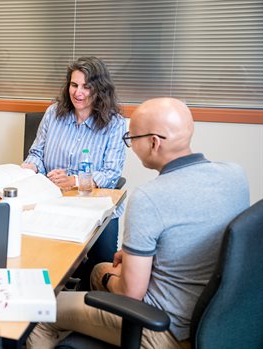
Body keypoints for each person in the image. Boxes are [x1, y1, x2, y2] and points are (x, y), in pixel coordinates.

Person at [27, 98, 250, 349]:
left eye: (131, 139)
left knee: (38, 311)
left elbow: (130, 293)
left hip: (165, 329)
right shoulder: (235, 174)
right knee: (100, 269)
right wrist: (131, 260)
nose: (130, 147)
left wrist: (114, 276)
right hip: (214, 314)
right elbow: (198, 230)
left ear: (153, 142)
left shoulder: (148, 198)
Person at [22, 56, 126, 286]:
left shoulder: (115, 123)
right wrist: (30, 166)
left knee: (100, 266)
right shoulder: (53, 113)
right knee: (36, 253)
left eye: (87, 87)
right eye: (74, 85)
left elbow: (111, 173)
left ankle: (84, 307)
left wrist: (75, 180)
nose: (78, 93)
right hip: (52, 200)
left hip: (95, 206)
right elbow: (37, 153)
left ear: (100, 89)